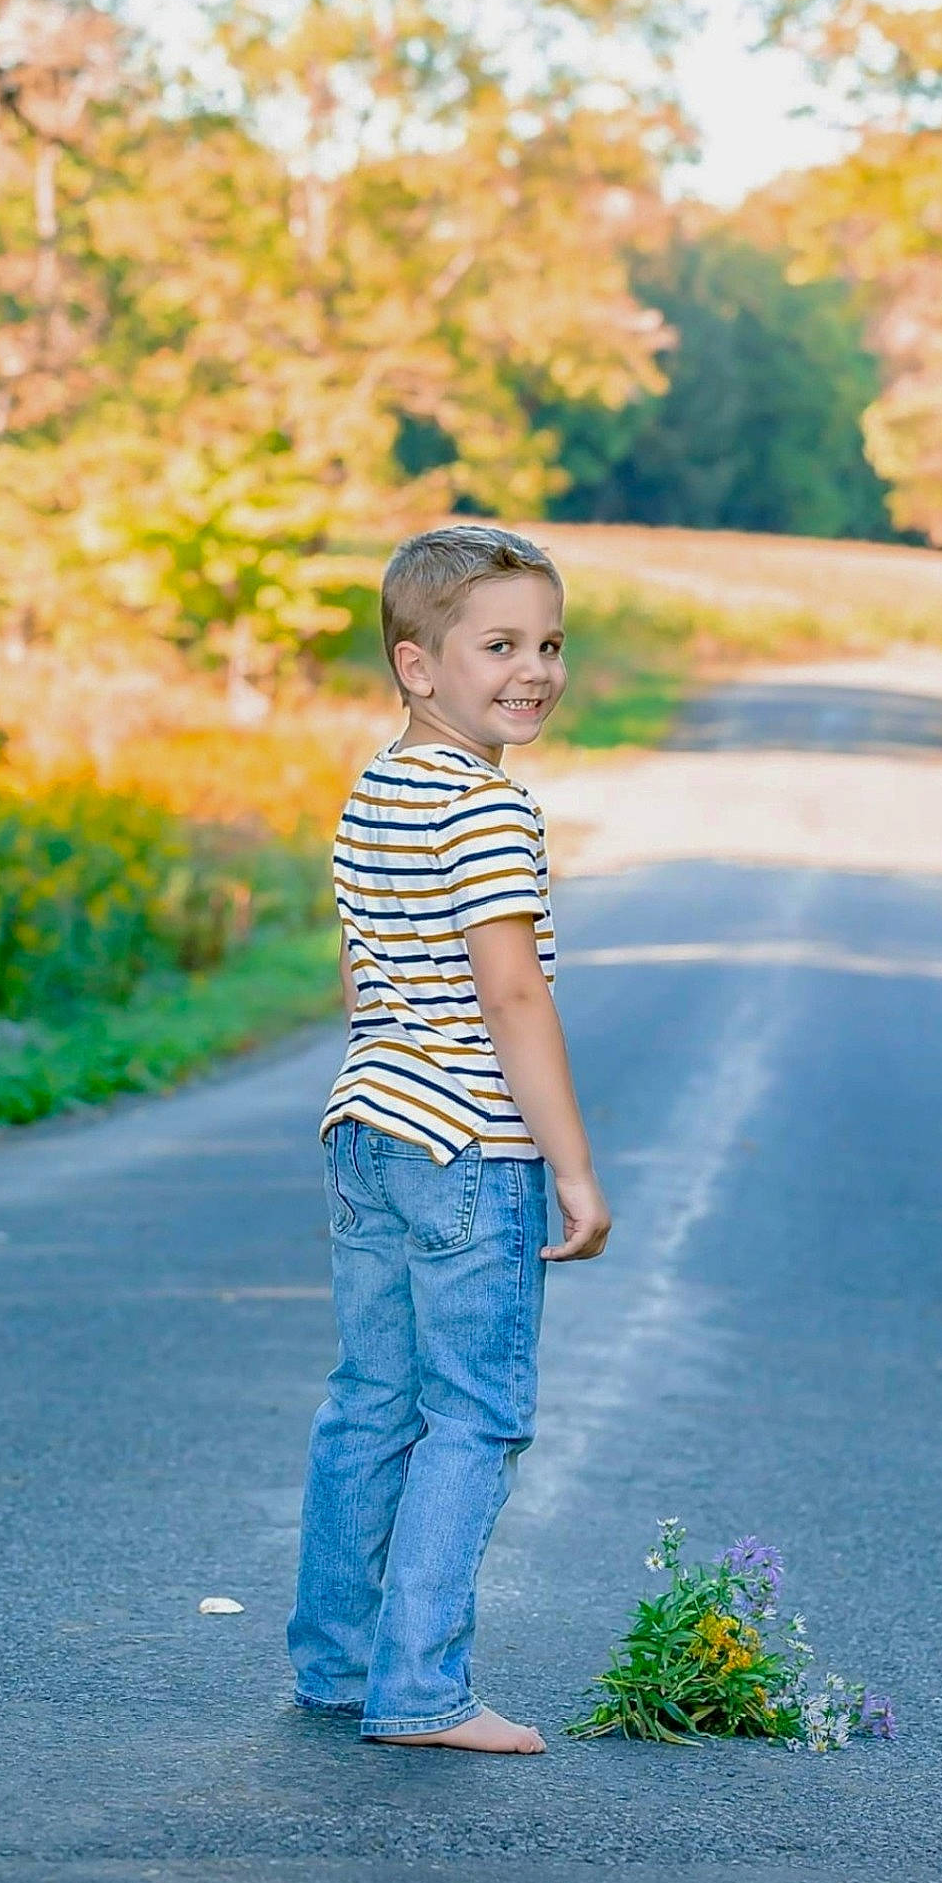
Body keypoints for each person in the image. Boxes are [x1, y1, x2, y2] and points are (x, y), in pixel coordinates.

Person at [286, 523, 612, 1756]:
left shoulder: (377, 787)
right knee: (474, 1414)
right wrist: (569, 1166)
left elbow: (361, 971)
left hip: (367, 1127)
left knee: (371, 1398)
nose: (534, 668)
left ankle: (337, 1660)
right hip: (471, 1146)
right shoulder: (489, 810)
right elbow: (513, 994)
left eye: (550, 642)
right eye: (500, 645)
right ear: (419, 665)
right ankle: (421, 1689)